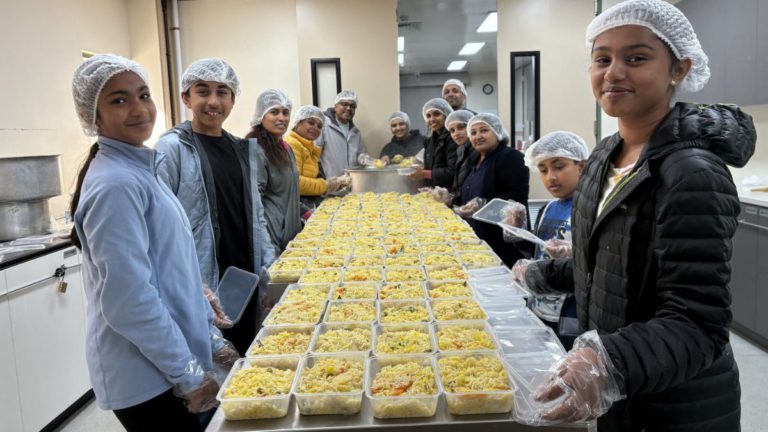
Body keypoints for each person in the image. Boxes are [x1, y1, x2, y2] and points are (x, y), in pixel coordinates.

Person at [522, 1, 755, 430]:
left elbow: (697, 323)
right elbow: (609, 265)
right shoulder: (602, 159)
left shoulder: (692, 173)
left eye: (636, 58)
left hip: (676, 408)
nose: (613, 73)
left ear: (678, 69)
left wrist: (608, 361)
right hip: (623, 397)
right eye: (602, 59)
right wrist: (543, 273)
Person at [70, 54, 238, 431]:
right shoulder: (115, 184)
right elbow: (129, 302)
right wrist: (190, 375)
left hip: (165, 362)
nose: (139, 108)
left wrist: (199, 295)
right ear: (92, 115)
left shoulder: (140, 169)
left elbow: (163, 262)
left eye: (143, 95)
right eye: (118, 100)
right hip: (147, 378)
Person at [155, 58, 275, 355]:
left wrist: (269, 272)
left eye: (222, 92)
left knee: (246, 362)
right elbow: (159, 230)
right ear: (187, 97)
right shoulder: (172, 149)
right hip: (203, 282)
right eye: (203, 91)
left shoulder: (241, 149)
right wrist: (192, 285)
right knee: (213, 366)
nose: (213, 101)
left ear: (233, 100)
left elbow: (257, 216)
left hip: (245, 278)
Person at [519, 131, 590, 349]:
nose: (551, 177)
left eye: (559, 167)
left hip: (573, 312)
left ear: (582, 166)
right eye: (543, 170)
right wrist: (517, 230)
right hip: (542, 308)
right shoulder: (547, 208)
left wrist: (574, 252)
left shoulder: (591, 209)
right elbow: (537, 251)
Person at [459, 113, 529, 266]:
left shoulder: (510, 157)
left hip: (501, 243)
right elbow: (469, 195)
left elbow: (517, 198)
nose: (478, 136)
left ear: (497, 132)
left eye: (484, 130)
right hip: (477, 240)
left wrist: (484, 204)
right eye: (473, 132)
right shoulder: (475, 160)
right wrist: (450, 198)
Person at [245, 89, 301, 252]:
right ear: (261, 115)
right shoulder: (256, 149)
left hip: (288, 237)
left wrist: (304, 212)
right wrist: (267, 246)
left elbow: (289, 191)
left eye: (285, 112)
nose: (281, 118)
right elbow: (253, 201)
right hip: (271, 239)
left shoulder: (285, 148)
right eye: (274, 112)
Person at [284, 105, 342, 210]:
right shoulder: (292, 144)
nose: (315, 128)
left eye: (319, 126)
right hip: (296, 207)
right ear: (298, 122)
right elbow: (296, 183)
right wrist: (325, 185)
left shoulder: (309, 147)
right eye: (311, 123)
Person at [317, 90, 368, 177]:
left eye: (352, 106)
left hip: (351, 183)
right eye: (344, 104)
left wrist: (365, 159)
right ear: (336, 106)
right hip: (329, 184)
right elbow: (314, 155)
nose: (348, 108)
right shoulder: (322, 126)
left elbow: (360, 154)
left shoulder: (356, 132)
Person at [409, 98, 457, 189]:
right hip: (436, 192)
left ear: (446, 115)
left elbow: (453, 172)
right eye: (428, 116)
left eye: (437, 114)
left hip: (449, 193)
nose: (432, 119)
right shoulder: (429, 141)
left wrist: (425, 174)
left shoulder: (453, 139)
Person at [445, 109, 475, 204]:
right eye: (452, 130)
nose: (456, 133)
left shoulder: (478, 152)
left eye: (461, 127)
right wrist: (450, 197)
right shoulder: (460, 150)